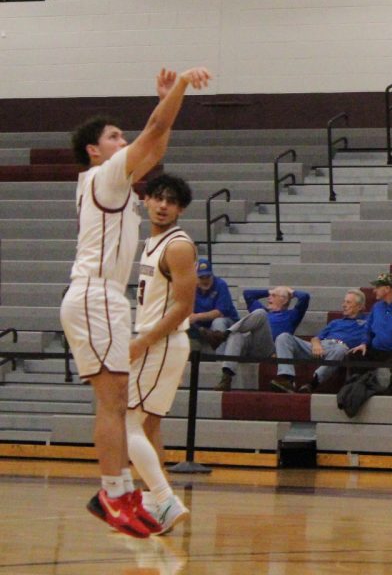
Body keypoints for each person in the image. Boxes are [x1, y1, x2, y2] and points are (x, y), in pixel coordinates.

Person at [61, 65, 210, 538]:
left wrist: (162, 101)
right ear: (94, 149)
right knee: (115, 406)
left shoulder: (112, 182)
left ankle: (124, 492)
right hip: (97, 294)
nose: (123, 140)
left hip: (97, 297)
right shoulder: (104, 176)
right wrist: (181, 87)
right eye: (113, 135)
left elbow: (156, 144)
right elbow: (157, 130)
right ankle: (116, 492)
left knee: (117, 404)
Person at [124, 173, 197, 534]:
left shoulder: (178, 246)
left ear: (180, 208)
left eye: (171, 201)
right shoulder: (151, 242)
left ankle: (166, 498)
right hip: (157, 342)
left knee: (122, 423)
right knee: (148, 423)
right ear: (146, 200)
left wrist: (141, 342)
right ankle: (156, 504)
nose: (164, 205)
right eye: (158, 198)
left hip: (162, 343)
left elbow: (183, 306)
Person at [213, 285, 310, 391]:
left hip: (268, 350)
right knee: (237, 335)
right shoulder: (264, 310)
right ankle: (226, 378)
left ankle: (224, 335)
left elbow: (305, 297)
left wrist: (291, 292)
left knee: (260, 313)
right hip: (251, 345)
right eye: (270, 295)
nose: (269, 298)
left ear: (284, 300)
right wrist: (269, 291)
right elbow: (247, 294)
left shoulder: (291, 315)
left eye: (273, 296)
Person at [271, 290, 369, 393]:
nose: (344, 305)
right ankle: (288, 379)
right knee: (284, 337)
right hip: (322, 346)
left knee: (341, 348)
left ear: (359, 307)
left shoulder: (367, 322)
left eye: (348, 302)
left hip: (340, 349)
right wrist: (316, 345)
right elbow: (316, 338)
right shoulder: (335, 322)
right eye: (344, 302)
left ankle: (312, 383)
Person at [189, 257, 238, 349]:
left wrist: (197, 317)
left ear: (212, 275)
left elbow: (220, 312)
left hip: (227, 325)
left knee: (218, 322)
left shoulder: (220, 285)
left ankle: (220, 359)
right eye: (201, 277)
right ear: (195, 277)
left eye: (207, 276)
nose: (205, 280)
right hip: (202, 328)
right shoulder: (190, 288)